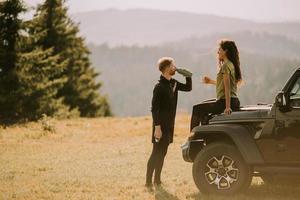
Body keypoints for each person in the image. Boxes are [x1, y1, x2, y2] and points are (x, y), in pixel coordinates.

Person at [146, 57, 192, 187]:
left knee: (163, 152)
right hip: (160, 125)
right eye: (173, 65)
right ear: (166, 68)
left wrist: (187, 75)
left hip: (170, 125)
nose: (175, 67)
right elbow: (154, 109)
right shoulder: (159, 87)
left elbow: (188, 88)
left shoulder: (174, 83)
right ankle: (148, 181)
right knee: (156, 152)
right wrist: (157, 127)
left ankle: (157, 180)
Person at [190, 39, 243, 131]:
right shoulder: (231, 64)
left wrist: (227, 107)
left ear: (225, 51)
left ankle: (193, 135)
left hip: (225, 102)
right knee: (204, 109)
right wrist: (211, 81)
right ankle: (204, 134)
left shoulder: (225, 66)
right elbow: (224, 84)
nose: (218, 52)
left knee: (196, 109)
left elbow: (227, 87)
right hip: (233, 100)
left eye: (219, 50)